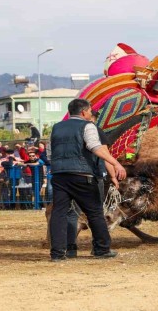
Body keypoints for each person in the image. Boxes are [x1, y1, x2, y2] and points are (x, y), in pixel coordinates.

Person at [48, 99, 126, 261]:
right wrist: (115, 162)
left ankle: (57, 253)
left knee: (59, 213)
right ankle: (101, 249)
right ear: (83, 112)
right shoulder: (88, 126)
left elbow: (51, 152)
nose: (91, 114)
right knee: (95, 213)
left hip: (59, 175)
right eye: (90, 111)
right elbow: (94, 147)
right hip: (83, 175)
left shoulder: (56, 127)